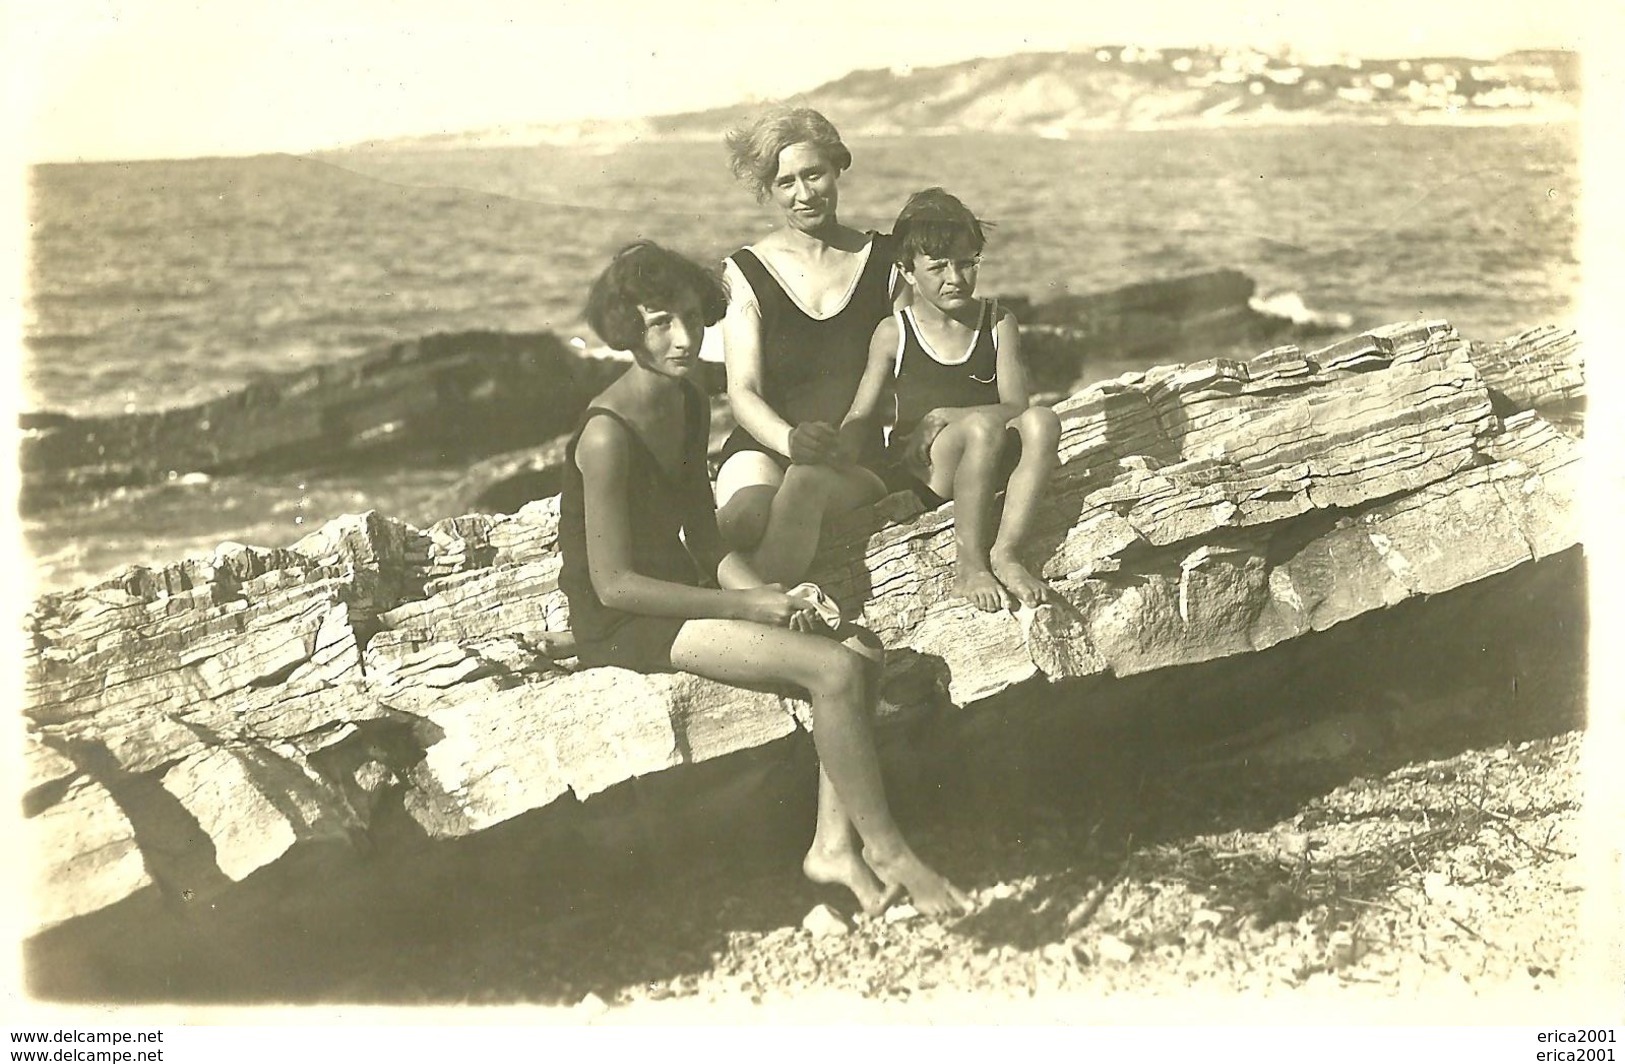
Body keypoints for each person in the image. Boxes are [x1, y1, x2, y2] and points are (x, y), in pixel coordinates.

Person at [559, 241, 970, 917]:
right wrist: (745, 602)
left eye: (693, 317)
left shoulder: (689, 398)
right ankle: (890, 851)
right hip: (624, 623)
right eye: (661, 322)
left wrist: (769, 594)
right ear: (627, 328)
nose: (685, 338)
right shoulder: (607, 435)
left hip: (684, 591)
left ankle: (831, 849)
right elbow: (612, 586)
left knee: (859, 650)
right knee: (833, 672)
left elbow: (702, 530)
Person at [841, 188, 1062, 613]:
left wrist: (947, 414)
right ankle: (969, 565)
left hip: (988, 456)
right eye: (938, 267)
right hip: (928, 472)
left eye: (966, 264)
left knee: (1044, 420)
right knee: (981, 428)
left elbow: (1016, 406)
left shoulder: (998, 321)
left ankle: (1006, 551)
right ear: (907, 272)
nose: (955, 278)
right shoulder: (895, 332)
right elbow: (859, 415)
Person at [713, 108, 902, 587]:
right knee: (742, 521)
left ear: (837, 166)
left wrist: (857, 437)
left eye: (814, 174)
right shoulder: (746, 270)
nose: (803, 194)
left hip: (851, 456)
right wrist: (789, 441)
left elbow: (908, 372)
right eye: (785, 183)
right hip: (765, 444)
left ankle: (749, 619)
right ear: (768, 190)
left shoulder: (886, 263)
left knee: (804, 484)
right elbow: (744, 390)